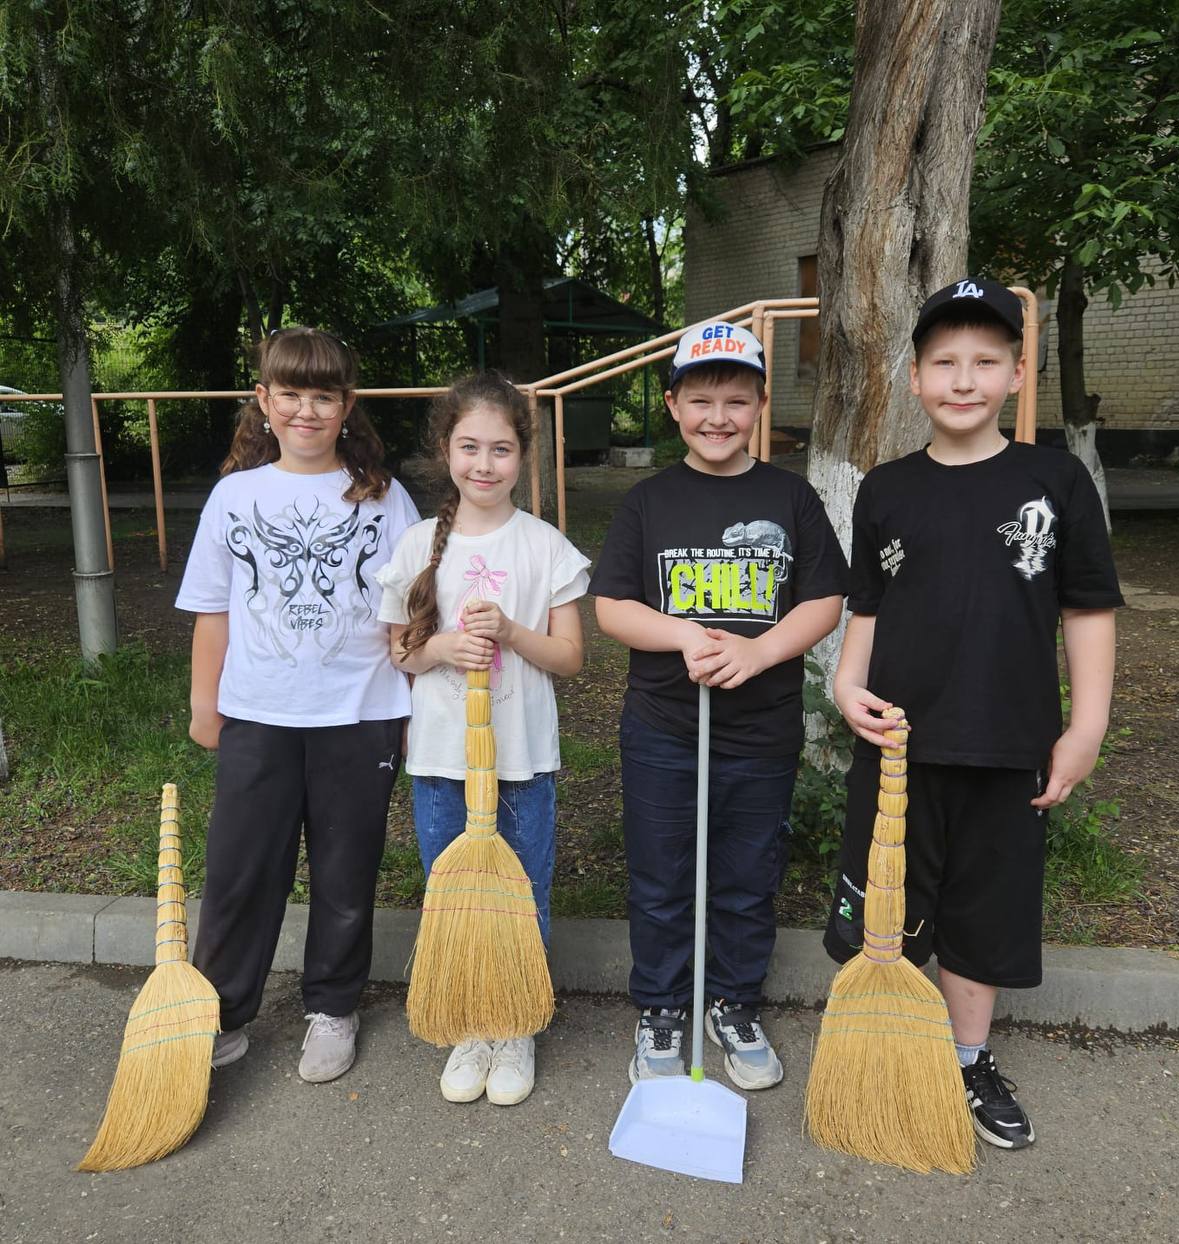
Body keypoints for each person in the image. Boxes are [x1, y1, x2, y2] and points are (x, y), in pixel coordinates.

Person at [826, 276, 1124, 1149]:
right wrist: (847, 685)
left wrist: (1087, 726)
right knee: (888, 905)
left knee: (984, 915)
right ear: (914, 377)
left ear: (1016, 372)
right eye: (944, 362)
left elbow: (1088, 610)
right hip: (896, 744)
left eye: (985, 361)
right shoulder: (885, 487)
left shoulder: (1056, 480)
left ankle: (966, 1058)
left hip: (1007, 743)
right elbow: (868, 607)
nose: (964, 379)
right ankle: (889, 1047)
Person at [591, 321, 846, 1090]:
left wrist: (759, 650)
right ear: (672, 406)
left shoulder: (790, 497)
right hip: (665, 728)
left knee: (745, 876)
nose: (718, 417)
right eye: (700, 400)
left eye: (737, 401)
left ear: (762, 404)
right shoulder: (649, 502)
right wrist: (681, 635)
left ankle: (733, 1001)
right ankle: (663, 1007)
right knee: (663, 876)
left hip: (761, 733)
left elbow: (825, 598)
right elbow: (611, 607)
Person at [176, 327, 420, 1083]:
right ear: (264, 400)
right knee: (240, 871)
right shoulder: (235, 496)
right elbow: (213, 609)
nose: (307, 411)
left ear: (347, 406)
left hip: (359, 713)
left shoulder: (383, 497)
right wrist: (203, 704)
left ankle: (333, 1006)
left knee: (347, 871)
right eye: (291, 394)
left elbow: (412, 612)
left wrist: (411, 709)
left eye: (324, 396)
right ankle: (220, 1011)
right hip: (259, 713)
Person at [377, 371, 589, 1108]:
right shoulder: (415, 547)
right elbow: (399, 650)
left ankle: (517, 1019)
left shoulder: (545, 547)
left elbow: (570, 658)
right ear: (446, 449)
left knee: (523, 888)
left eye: (501, 449)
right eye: (470, 447)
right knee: (454, 887)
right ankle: (471, 1019)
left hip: (523, 757)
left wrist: (512, 633)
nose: (485, 464)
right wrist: (438, 650)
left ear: (522, 456)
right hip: (441, 759)